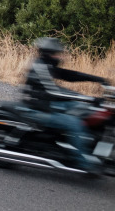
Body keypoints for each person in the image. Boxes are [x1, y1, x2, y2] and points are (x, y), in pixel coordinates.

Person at [23, 37, 110, 174]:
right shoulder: (40, 67)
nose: (59, 56)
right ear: (47, 53)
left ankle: (83, 144)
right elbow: (54, 91)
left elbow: (69, 75)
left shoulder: (47, 65)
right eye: (56, 53)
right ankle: (85, 163)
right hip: (37, 108)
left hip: (47, 103)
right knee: (75, 124)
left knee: (84, 109)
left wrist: (96, 79)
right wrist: (88, 98)